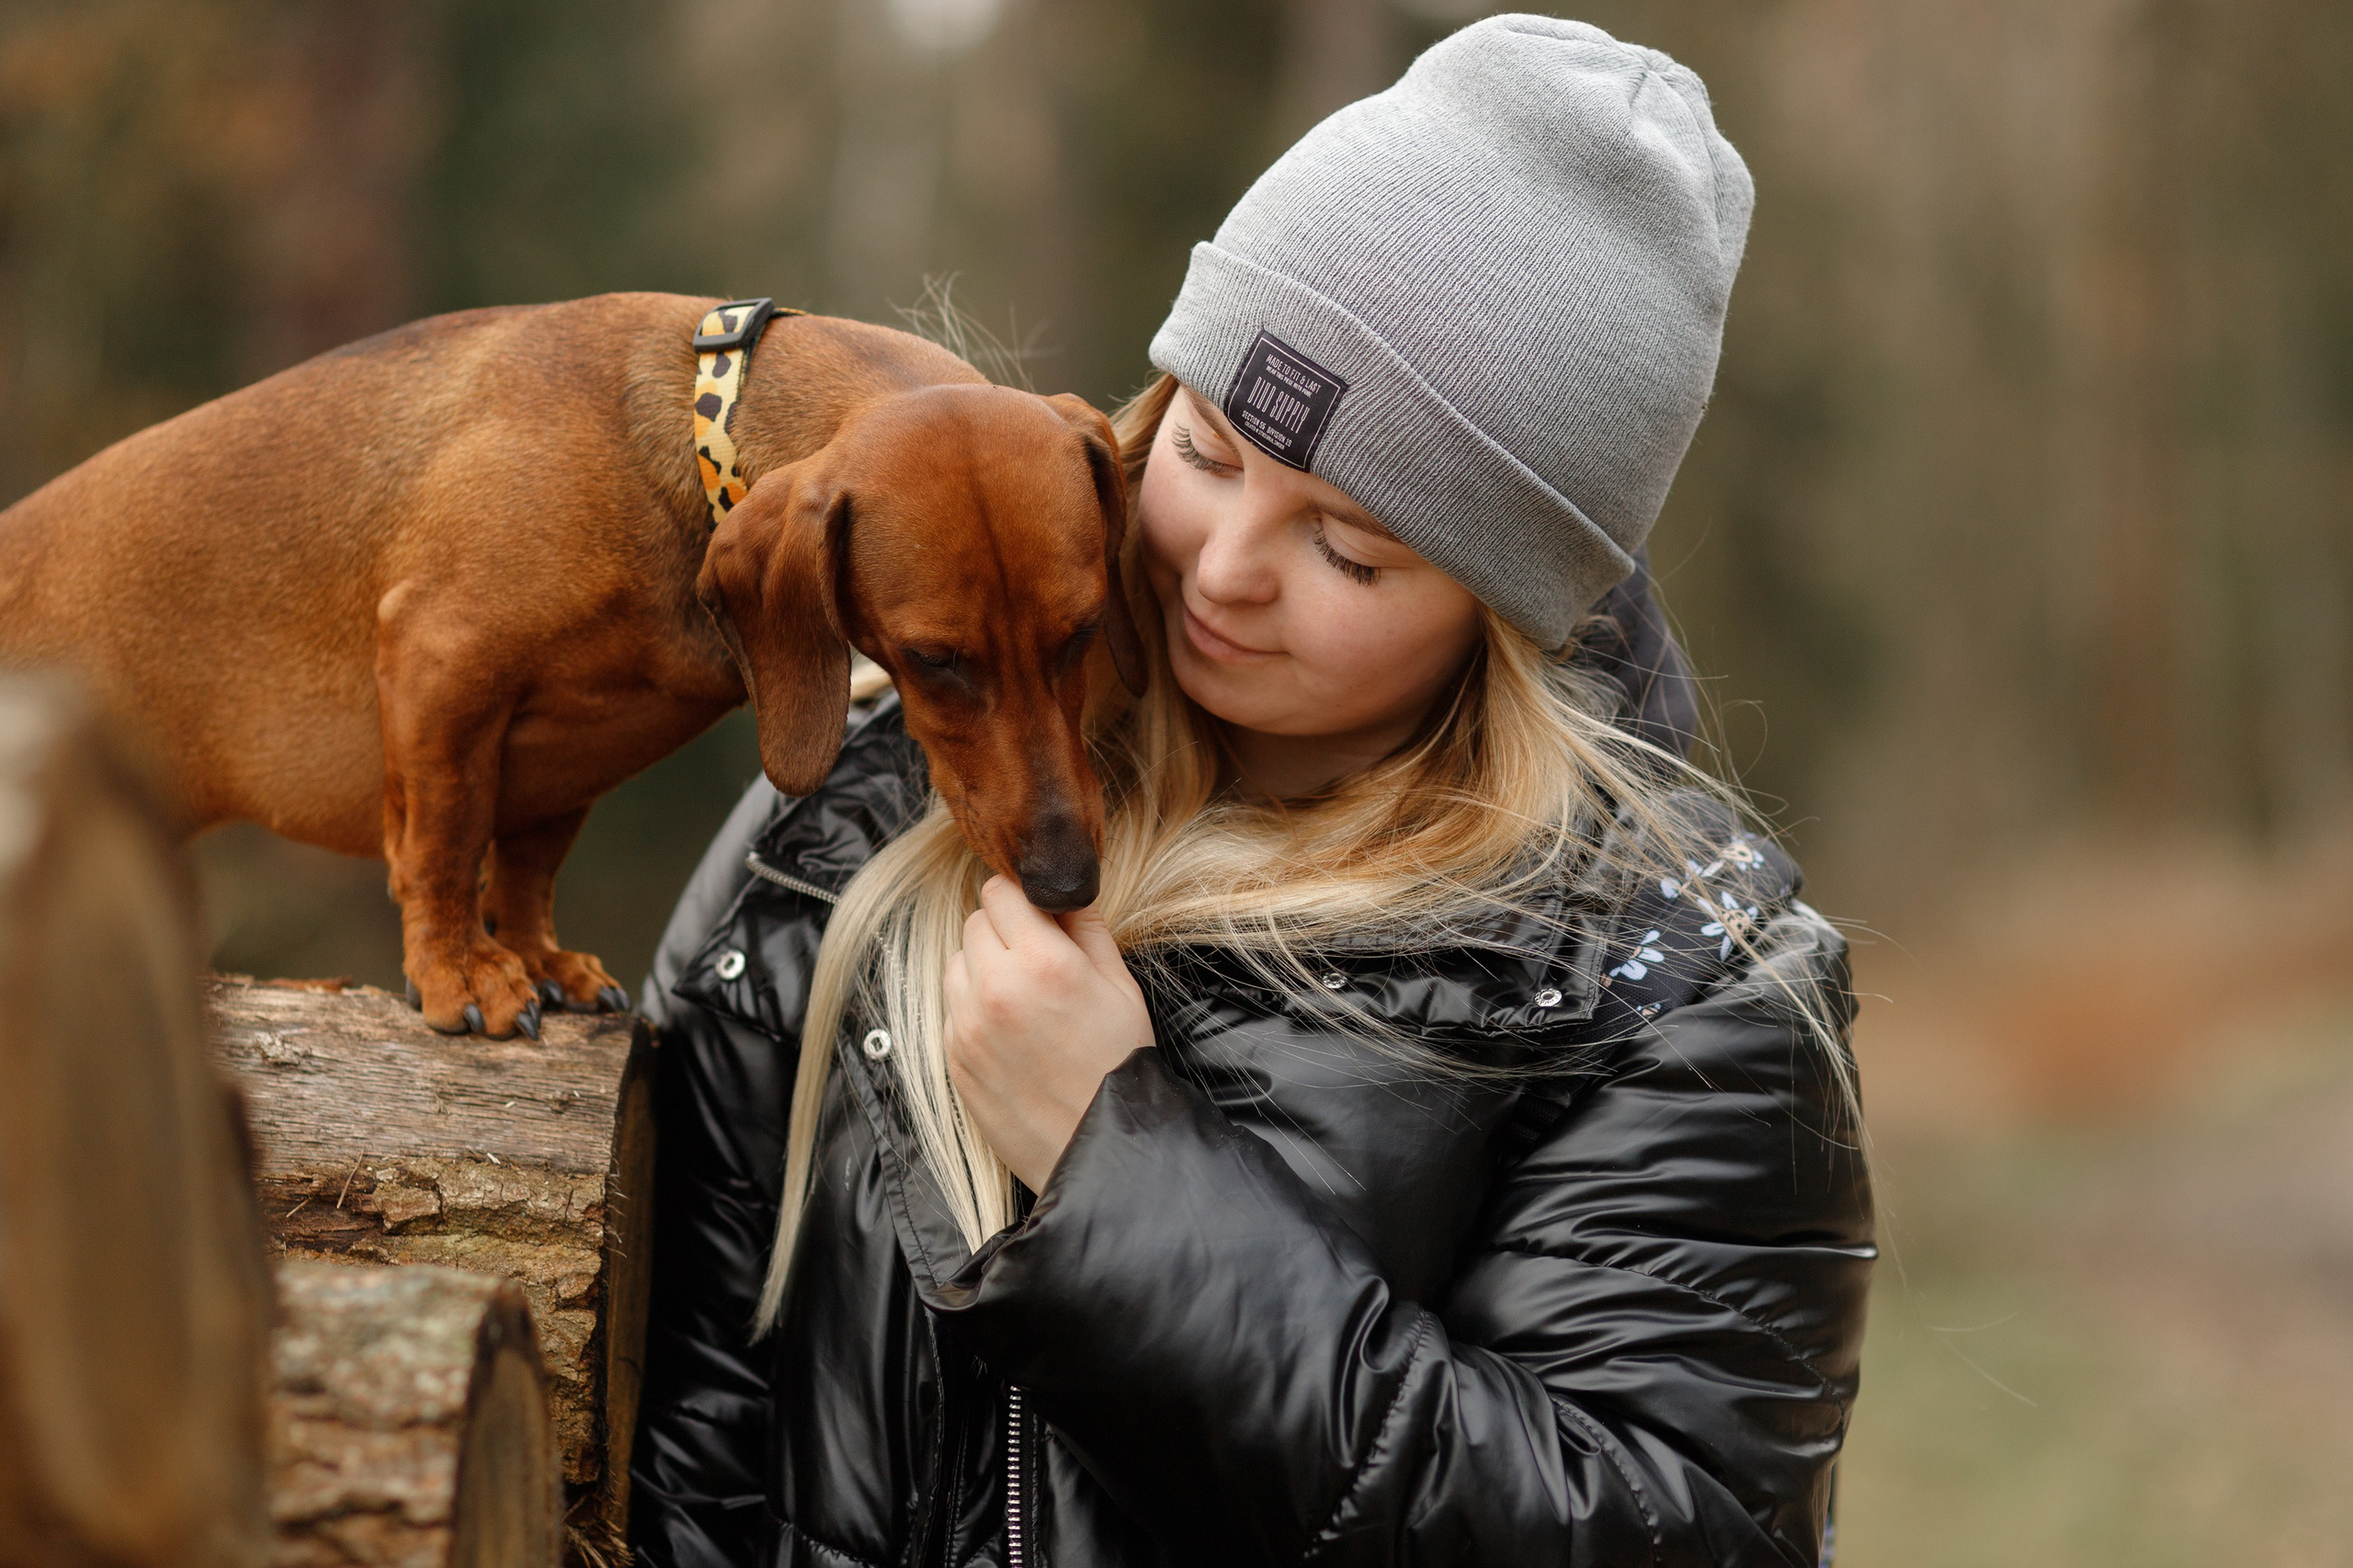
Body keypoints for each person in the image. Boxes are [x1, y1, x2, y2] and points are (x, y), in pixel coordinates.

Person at [629, 16, 1874, 1567]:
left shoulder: (1676, 994)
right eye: (1209, 451)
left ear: (1514, 603)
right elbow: (682, 1437)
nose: (1222, 571)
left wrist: (1120, 1175)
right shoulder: (863, 812)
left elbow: (1665, 1528)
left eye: (1350, 548)